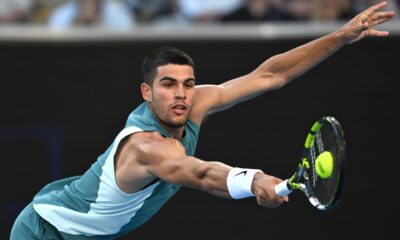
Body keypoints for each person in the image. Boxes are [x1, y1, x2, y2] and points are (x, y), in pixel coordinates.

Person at [10, 2, 394, 239]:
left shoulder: (193, 104)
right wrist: (255, 179)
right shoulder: (147, 149)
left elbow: (270, 75)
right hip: (45, 232)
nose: (181, 94)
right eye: (168, 85)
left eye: (188, 84)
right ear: (146, 93)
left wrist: (340, 37)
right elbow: (200, 174)